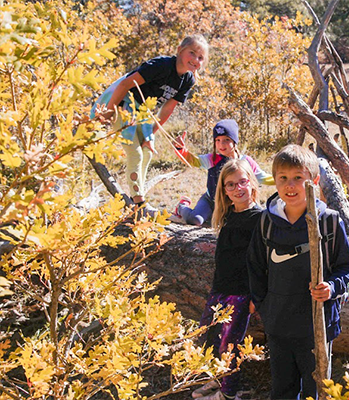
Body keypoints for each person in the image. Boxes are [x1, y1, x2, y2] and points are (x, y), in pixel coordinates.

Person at [247, 144, 349, 400]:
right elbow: (255, 266)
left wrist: (332, 288)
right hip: (279, 324)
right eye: (283, 178)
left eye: (298, 178)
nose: (290, 185)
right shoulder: (267, 222)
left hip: (316, 324)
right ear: (274, 181)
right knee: (283, 389)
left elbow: (347, 268)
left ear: (314, 181)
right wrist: (265, 306)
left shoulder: (329, 221)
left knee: (315, 388)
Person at [91, 35, 209, 213]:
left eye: (200, 57)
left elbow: (167, 108)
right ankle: (139, 203)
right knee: (135, 152)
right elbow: (124, 84)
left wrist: (150, 134)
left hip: (144, 111)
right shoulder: (161, 66)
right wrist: (108, 111)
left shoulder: (188, 80)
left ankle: (136, 195)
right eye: (192, 53)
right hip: (123, 102)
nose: (195, 60)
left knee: (147, 151)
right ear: (179, 50)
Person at [191, 159, 263, 400]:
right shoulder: (229, 215)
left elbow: (263, 263)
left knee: (229, 346)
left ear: (252, 183)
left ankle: (228, 394)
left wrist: (255, 298)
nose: (237, 188)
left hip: (241, 293)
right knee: (210, 337)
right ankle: (216, 380)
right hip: (220, 289)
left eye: (242, 182)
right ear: (223, 190)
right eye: (230, 185)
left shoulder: (260, 219)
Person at [170, 119, 273, 226]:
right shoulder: (213, 159)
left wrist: (284, 179)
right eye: (217, 140)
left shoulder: (246, 162)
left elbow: (263, 177)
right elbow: (193, 161)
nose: (221, 144)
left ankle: (212, 216)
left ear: (234, 141)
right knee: (195, 220)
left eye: (226, 140)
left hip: (234, 203)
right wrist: (180, 148)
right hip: (211, 201)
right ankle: (182, 206)